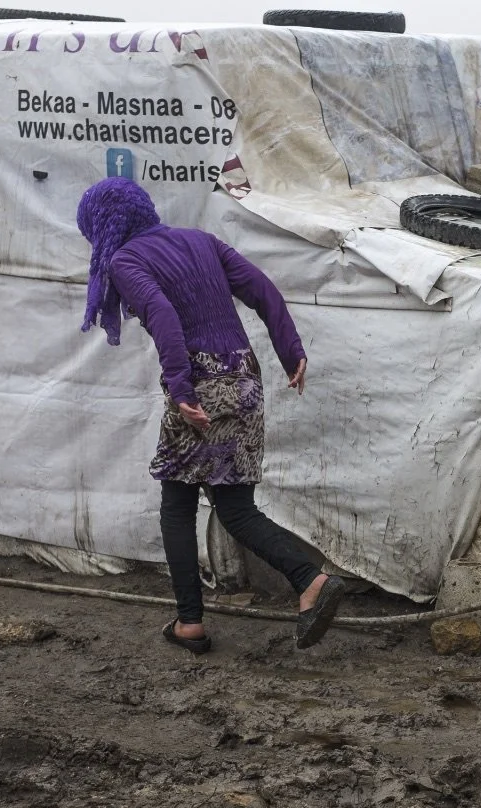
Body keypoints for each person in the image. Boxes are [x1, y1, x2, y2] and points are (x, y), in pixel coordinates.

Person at [76, 177, 347, 653]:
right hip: (244, 377)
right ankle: (307, 582)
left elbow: (161, 313)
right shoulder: (200, 240)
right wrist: (291, 350)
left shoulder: (124, 260)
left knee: (177, 507)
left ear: (104, 224)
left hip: (200, 385)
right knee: (235, 508)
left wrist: (181, 387)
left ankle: (192, 621)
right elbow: (261, 288)